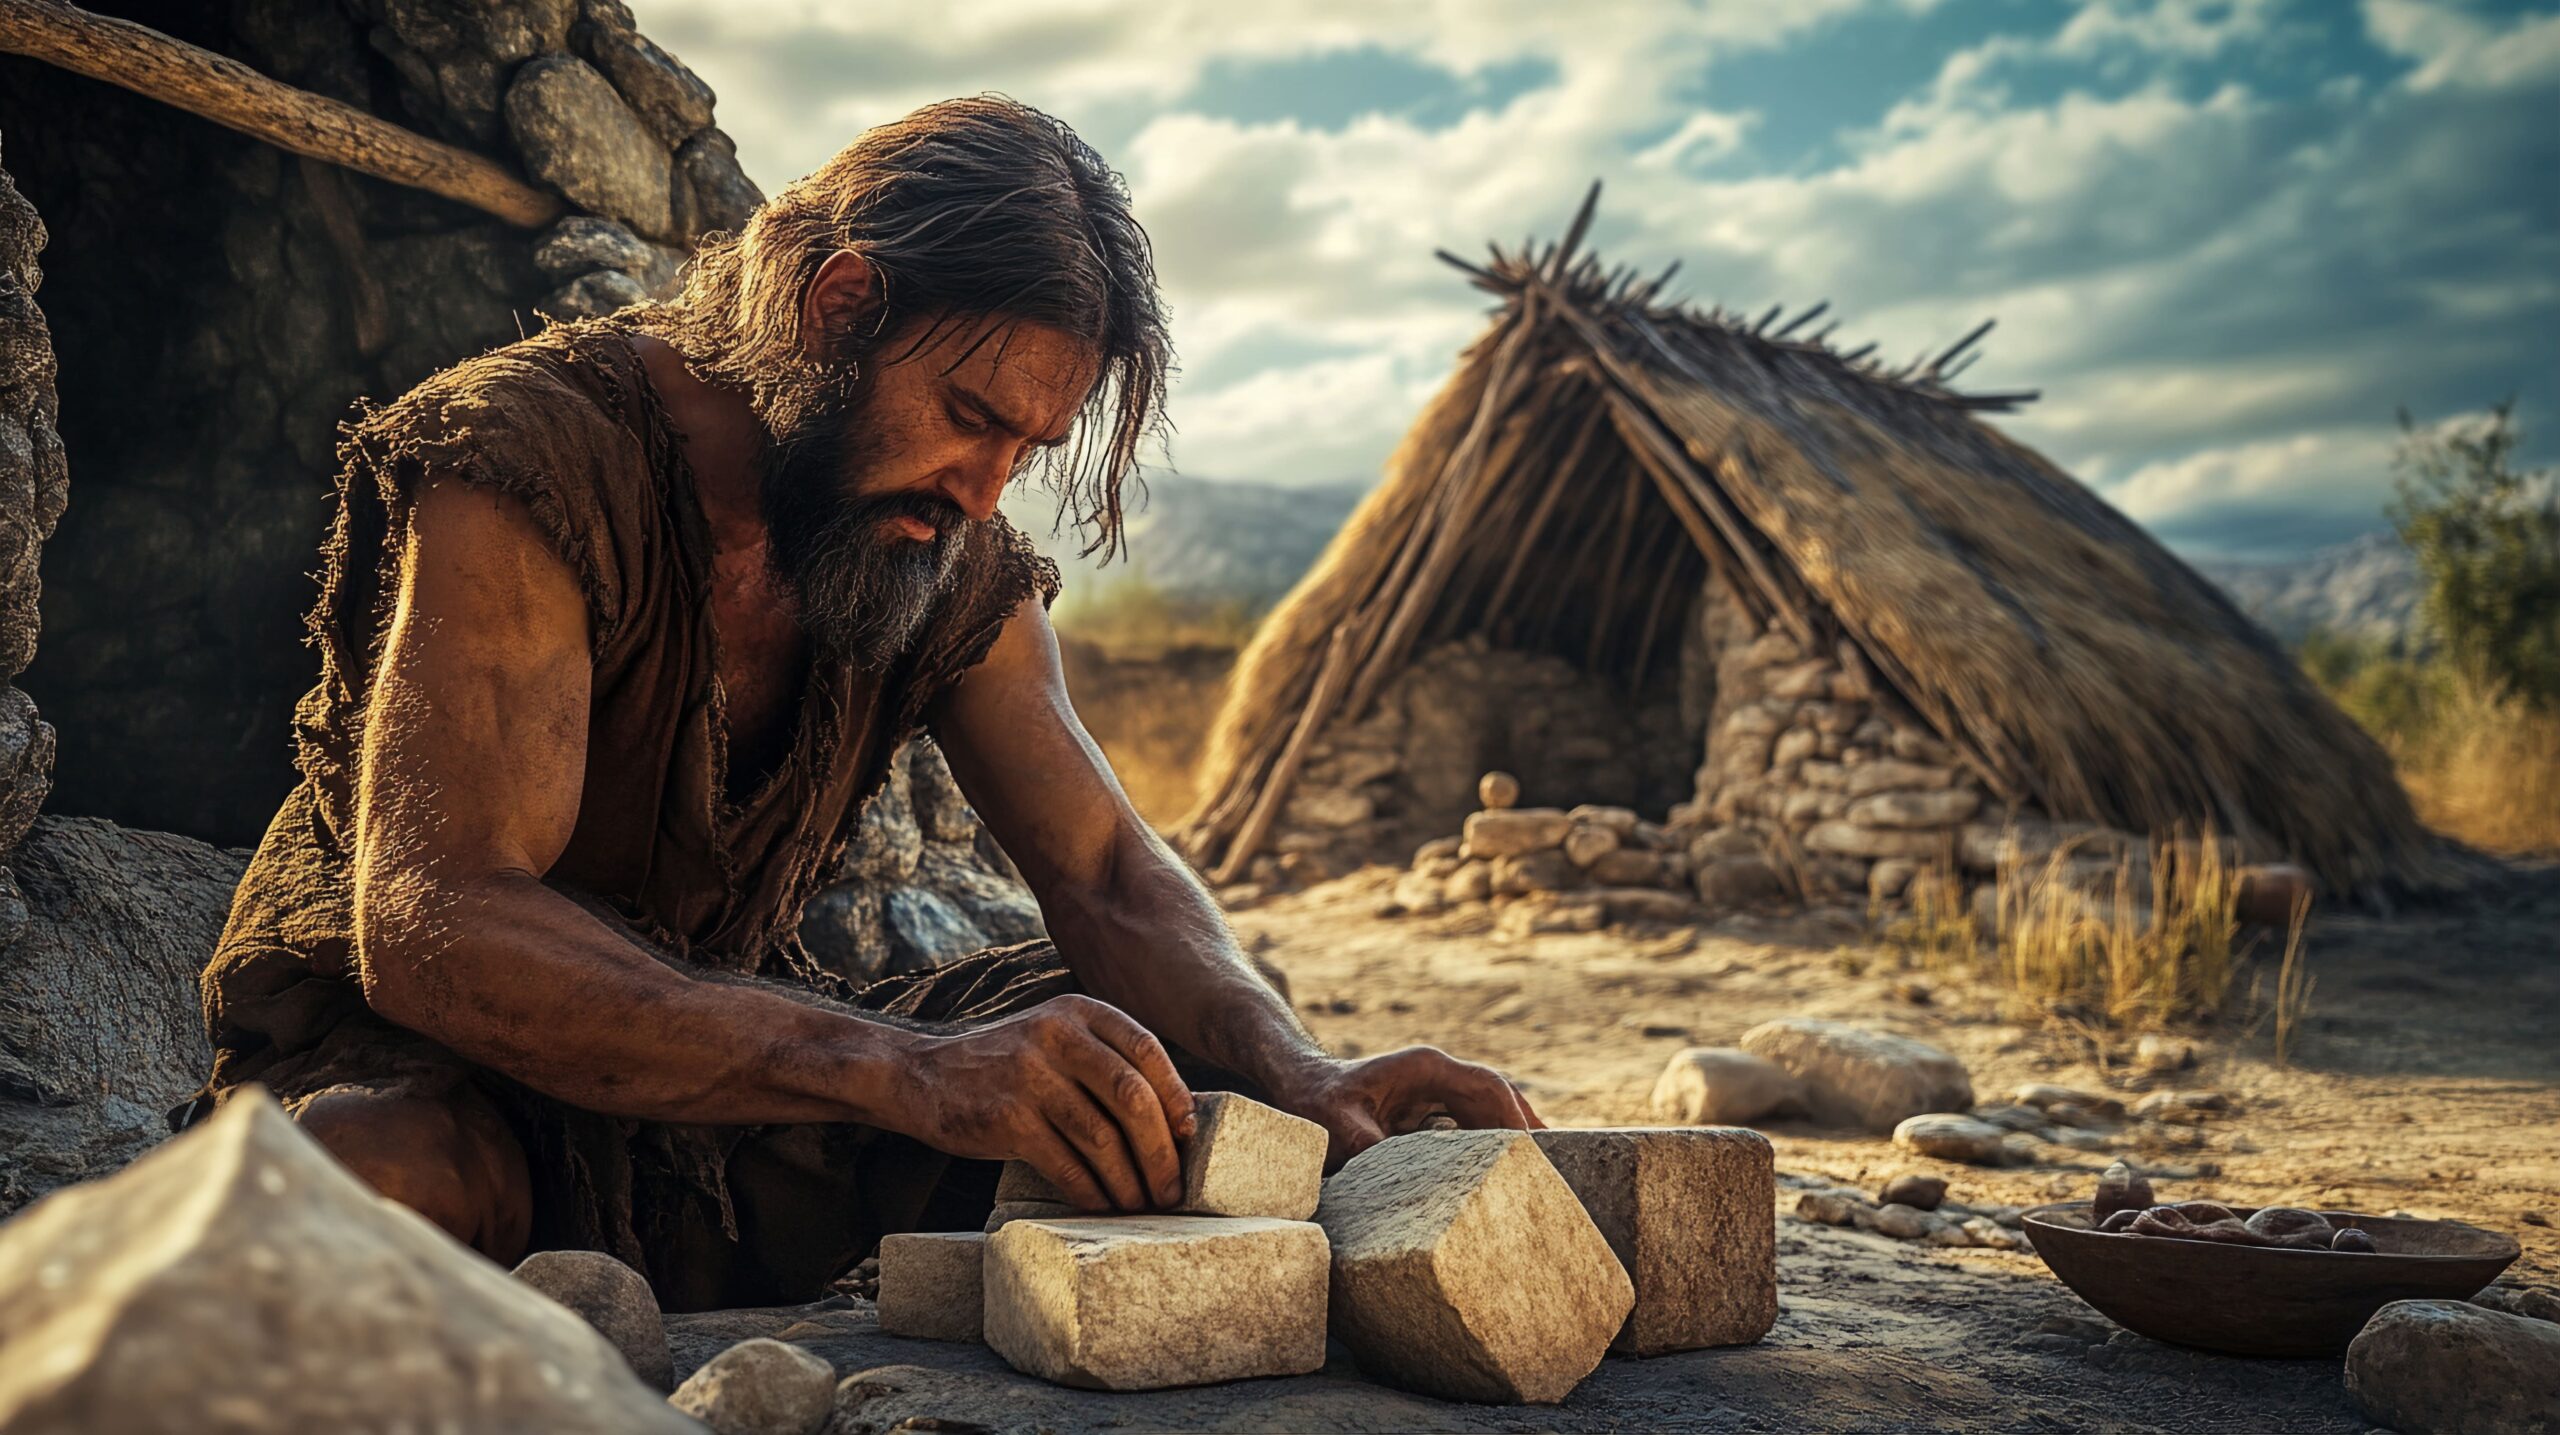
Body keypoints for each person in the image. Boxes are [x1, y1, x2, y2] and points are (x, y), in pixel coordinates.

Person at [178, 96, 1537, 1311]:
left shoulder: (942, 552)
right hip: (444, 1073)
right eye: (966, 412)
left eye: (1027, 447)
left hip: (725, 1101)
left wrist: (1305, 1075)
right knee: (363, 1173)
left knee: (1163, 1063)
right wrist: (901, 1070)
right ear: (839, 308)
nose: (984, 484)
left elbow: (1111, 872)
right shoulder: (526, 464)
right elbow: (445, 929)